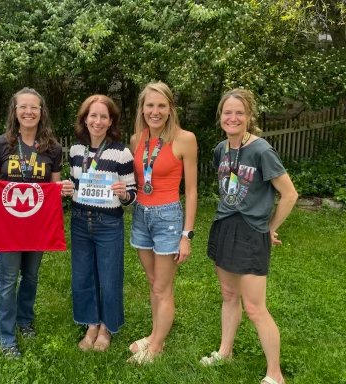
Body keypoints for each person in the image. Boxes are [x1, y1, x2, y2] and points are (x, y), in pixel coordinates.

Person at [200, 89, 298, 384]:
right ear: (220, 117)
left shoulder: (261, 150)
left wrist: (269, 227)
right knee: (229, 296)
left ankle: (275, 374)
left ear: (249, 117)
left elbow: (290, 194)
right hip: (224, 226)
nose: (233, 118)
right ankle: (225, 351)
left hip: (251, 232)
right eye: (227, 113)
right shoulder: (221, 149)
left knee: (255, 307)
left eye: (239, 113)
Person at [0, 87, 73, 358]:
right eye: (23, 107)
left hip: (37, 225)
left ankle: (25, 321)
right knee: (8, 279)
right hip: (9, 225)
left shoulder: (53, 148)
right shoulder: (1, 144)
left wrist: (63, 188)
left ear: (41, 112)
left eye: (34, 107)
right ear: (15, 111)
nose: (29, 112)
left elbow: (54, 187)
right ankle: (6, 337)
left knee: (30, 277)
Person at [127, 81, 198, 364]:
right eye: (149, 106)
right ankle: (156, 334)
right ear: (142, 109)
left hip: (168, 216)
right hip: (141, 215)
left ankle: (155, 347)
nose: (154, 111)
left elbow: (192, 190)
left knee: (162, 287)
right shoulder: (136, 140)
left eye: (160, 106)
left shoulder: (185, 139)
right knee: (154, 281)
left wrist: (186, 235)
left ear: (170, 109)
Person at [69, 95, 137, 352]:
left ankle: (107, 328)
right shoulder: (76, 150)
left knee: (109, 278)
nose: (97, 121)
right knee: (83, 276)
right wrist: (67, 189)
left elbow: (132, 194)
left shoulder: (121, 153)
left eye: (103, 117)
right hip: (79, 221)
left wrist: (124, 194)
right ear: (85, 119)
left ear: (111, 122)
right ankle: (91, 323)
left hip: (108, 223)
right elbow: (74, 185)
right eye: (93, 116)